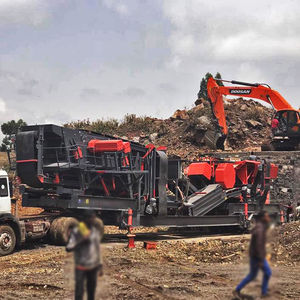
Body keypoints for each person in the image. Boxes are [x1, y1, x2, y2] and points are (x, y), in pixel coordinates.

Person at [66, 210, 104, 300]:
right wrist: (81, 241)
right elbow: (69, 247)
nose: (93, 220)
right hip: (80, 267)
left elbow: (97, 249)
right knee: (79, 291)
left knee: (91, 292)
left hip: (93, 267)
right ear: (86, 219)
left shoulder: (94, 231)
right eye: (91, 218)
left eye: (93, 218)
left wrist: (100, 265)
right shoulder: (78, 231)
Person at [233, 211, 272, 299]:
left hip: (256, 256)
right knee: (265, 273)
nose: (268, 218)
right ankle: (263, 292)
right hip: (258, 257)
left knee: (254, 275)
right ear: (263, 218)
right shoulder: (260, 230)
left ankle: (263, 292)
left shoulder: (260, 228)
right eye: (267, 216)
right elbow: (258, 245)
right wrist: (261, 259)